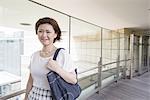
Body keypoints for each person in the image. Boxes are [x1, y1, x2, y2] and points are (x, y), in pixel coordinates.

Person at [24, 17, 77, 100]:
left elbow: (74, 80)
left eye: (48, 32)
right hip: (33, 95)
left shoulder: (62, 54)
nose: (44, 35)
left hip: (53, 96)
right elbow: (30, 80)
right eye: (40, 31)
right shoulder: (34, 55)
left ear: (55, 34)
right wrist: (25, 97)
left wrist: (57, 69)